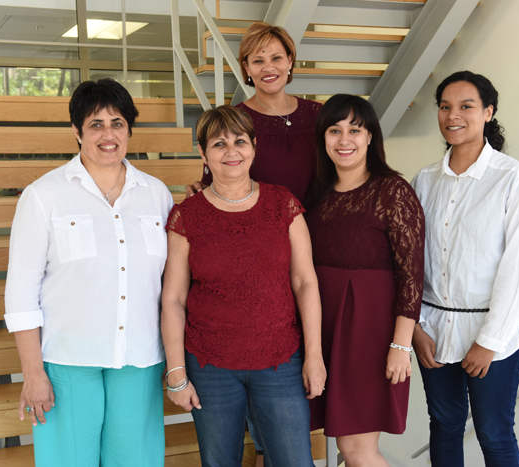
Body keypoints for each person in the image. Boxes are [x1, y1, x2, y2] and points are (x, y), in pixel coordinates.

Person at [4, 78, 173, 467]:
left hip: (140, 357)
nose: (107, 134)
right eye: (96, 124)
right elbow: (21, 291)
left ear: (130, 130)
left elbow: (168, 282)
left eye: (117, 123)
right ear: (77, 131)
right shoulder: (43, 195)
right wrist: (33, 373)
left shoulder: (157, 194)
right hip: (68, 360)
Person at [161, 105, 326, 467]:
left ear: (253, 146)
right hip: (210, 365)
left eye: (239, 140)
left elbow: (305, 282)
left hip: (281, 360)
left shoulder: (282, 204)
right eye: (218, 144)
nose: (231, 151)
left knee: (296, 461)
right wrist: (176, 372)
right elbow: (173, 298)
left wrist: (314, 355)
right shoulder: (187, 216)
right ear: (203, 153)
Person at [411, 71, 519, 467]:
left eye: (466, 106)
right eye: (445, 106)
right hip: (433, 329)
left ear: (488, 112)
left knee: (493, 432)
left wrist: (490, 341)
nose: (454, 115)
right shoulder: (424, 180)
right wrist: (415, 328)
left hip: (492, 333)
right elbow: (410, 262)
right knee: (444, 424)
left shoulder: (514, 179)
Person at [305, 94, 425, 467]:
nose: (344, 140)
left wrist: (401, 345)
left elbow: (412, 274)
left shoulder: (393, 191)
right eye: (335, 130)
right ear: (323, 138)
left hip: (370, 332)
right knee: (344, 447)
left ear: (371, 136)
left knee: (358, 449)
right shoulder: (318, 194)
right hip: (325, 325)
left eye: (355, 130)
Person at [187, 21, 322, 204]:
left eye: (276, 58)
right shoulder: (232, 121)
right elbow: (214, 180)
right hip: (260, 228)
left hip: (319, 225)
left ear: (289, 61)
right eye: (258, 61)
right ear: (247, 67)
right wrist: (200, 189)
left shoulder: (319, 115)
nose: (268, 68)